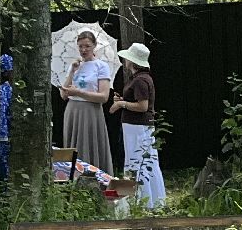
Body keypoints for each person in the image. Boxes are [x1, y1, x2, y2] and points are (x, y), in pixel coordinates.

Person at [109, 41, 166, 209]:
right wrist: (123, 101)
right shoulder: (140, 78)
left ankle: (145, 202)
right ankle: (150, 200)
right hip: (135, 127)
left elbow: (142, 106)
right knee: (143, 161)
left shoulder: (141, 80)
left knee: (139, 162)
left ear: (133, 62)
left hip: (138, 128)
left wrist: (122, 104)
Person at [59, 30, 114, 176]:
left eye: (87, 46)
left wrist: (79, 93)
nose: (83, 50)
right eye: (80, 46)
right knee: (74, 146)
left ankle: (94, 180)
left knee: (89, 144)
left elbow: (103, 97)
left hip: (90, 111)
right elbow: (64, 94)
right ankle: (74, 181)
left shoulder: (101, 66)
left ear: (94, 46)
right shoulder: (74, 66)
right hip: (72, 110)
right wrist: (72, 72)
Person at [0, 54, 13, 184]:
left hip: (2, 132)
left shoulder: (2, 89)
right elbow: (5, 112)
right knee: (3, 163)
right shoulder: (4, 90)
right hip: (3, 134)